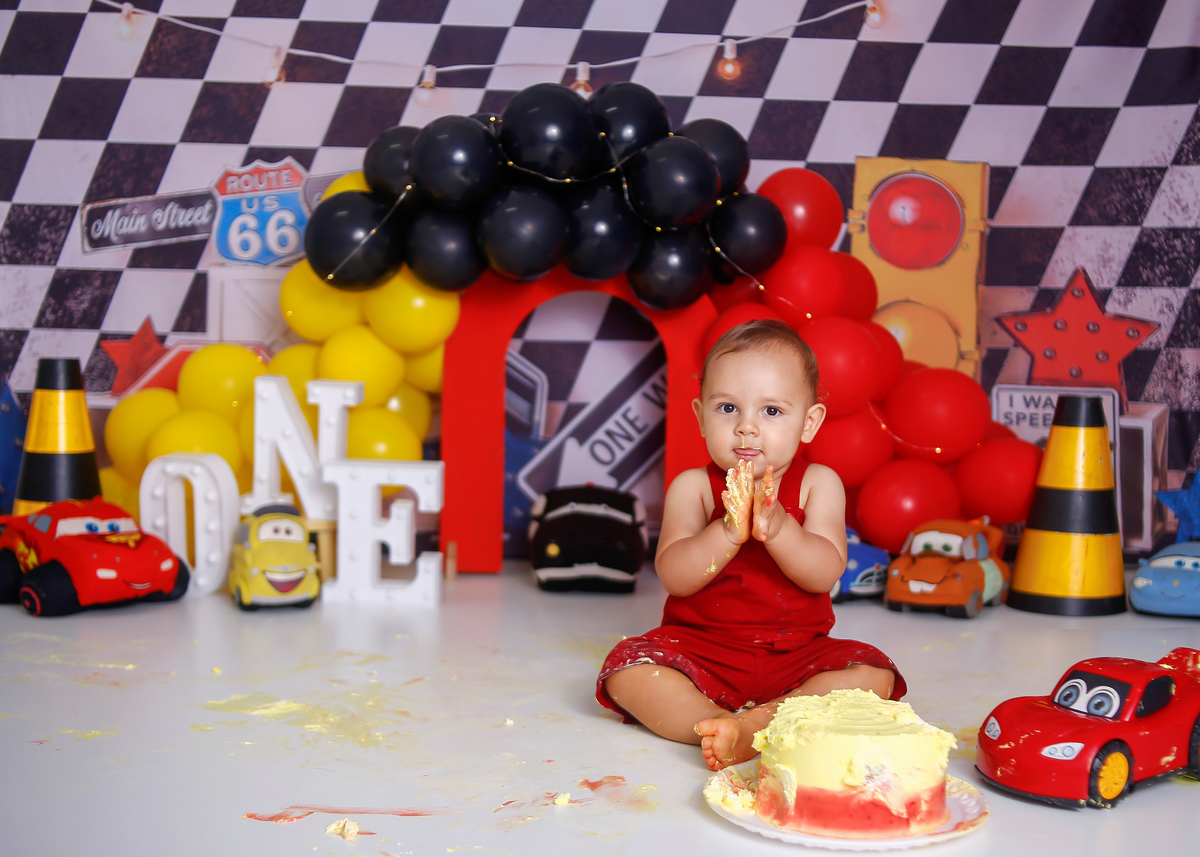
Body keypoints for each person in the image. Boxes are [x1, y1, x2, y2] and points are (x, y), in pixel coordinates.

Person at [596, 320, 905, 772]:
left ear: (809, 423)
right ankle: (714, 723)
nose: (746, 428)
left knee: (873, 675)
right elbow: (675, 577)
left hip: (796, 655)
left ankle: (764, 719)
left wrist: (779, 529)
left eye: (771, 411)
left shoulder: (818, 484)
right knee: (627, 668)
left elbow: (823, 573)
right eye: (727, 408)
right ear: (701, 416)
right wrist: (725, 532)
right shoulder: (693, 488)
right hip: (701, 650)